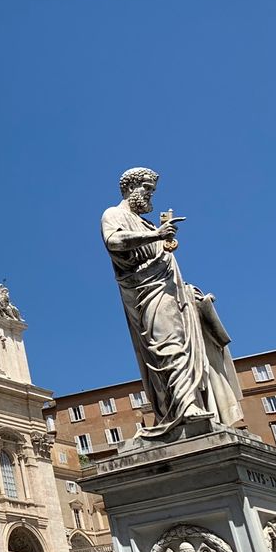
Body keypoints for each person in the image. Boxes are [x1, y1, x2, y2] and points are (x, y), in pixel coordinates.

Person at [101, 167, 243, 436]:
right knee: (168, 346)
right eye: (146, 188)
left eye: (152, 189)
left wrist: (190, 292)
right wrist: (157, 235)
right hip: (147, 294)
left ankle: (191, 404)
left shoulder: (146, 224)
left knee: (187, 350)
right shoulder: (113, 214)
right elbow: (115, 242)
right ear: (130, 188)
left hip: (173, 295)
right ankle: (185, 407)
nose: (150, 194)